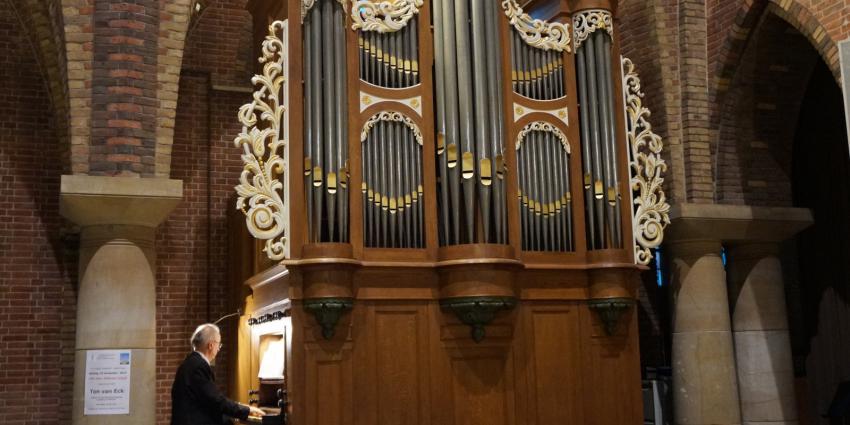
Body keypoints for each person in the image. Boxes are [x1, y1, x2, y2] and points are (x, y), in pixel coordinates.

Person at [171, 323, 265, 425]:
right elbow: (215, 401)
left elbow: (208, 401)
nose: (219, 349)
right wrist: (247, 410)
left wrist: (239, 409)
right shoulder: (198, 366)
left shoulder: (189, 363)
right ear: (211, 345)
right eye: (219, 344)